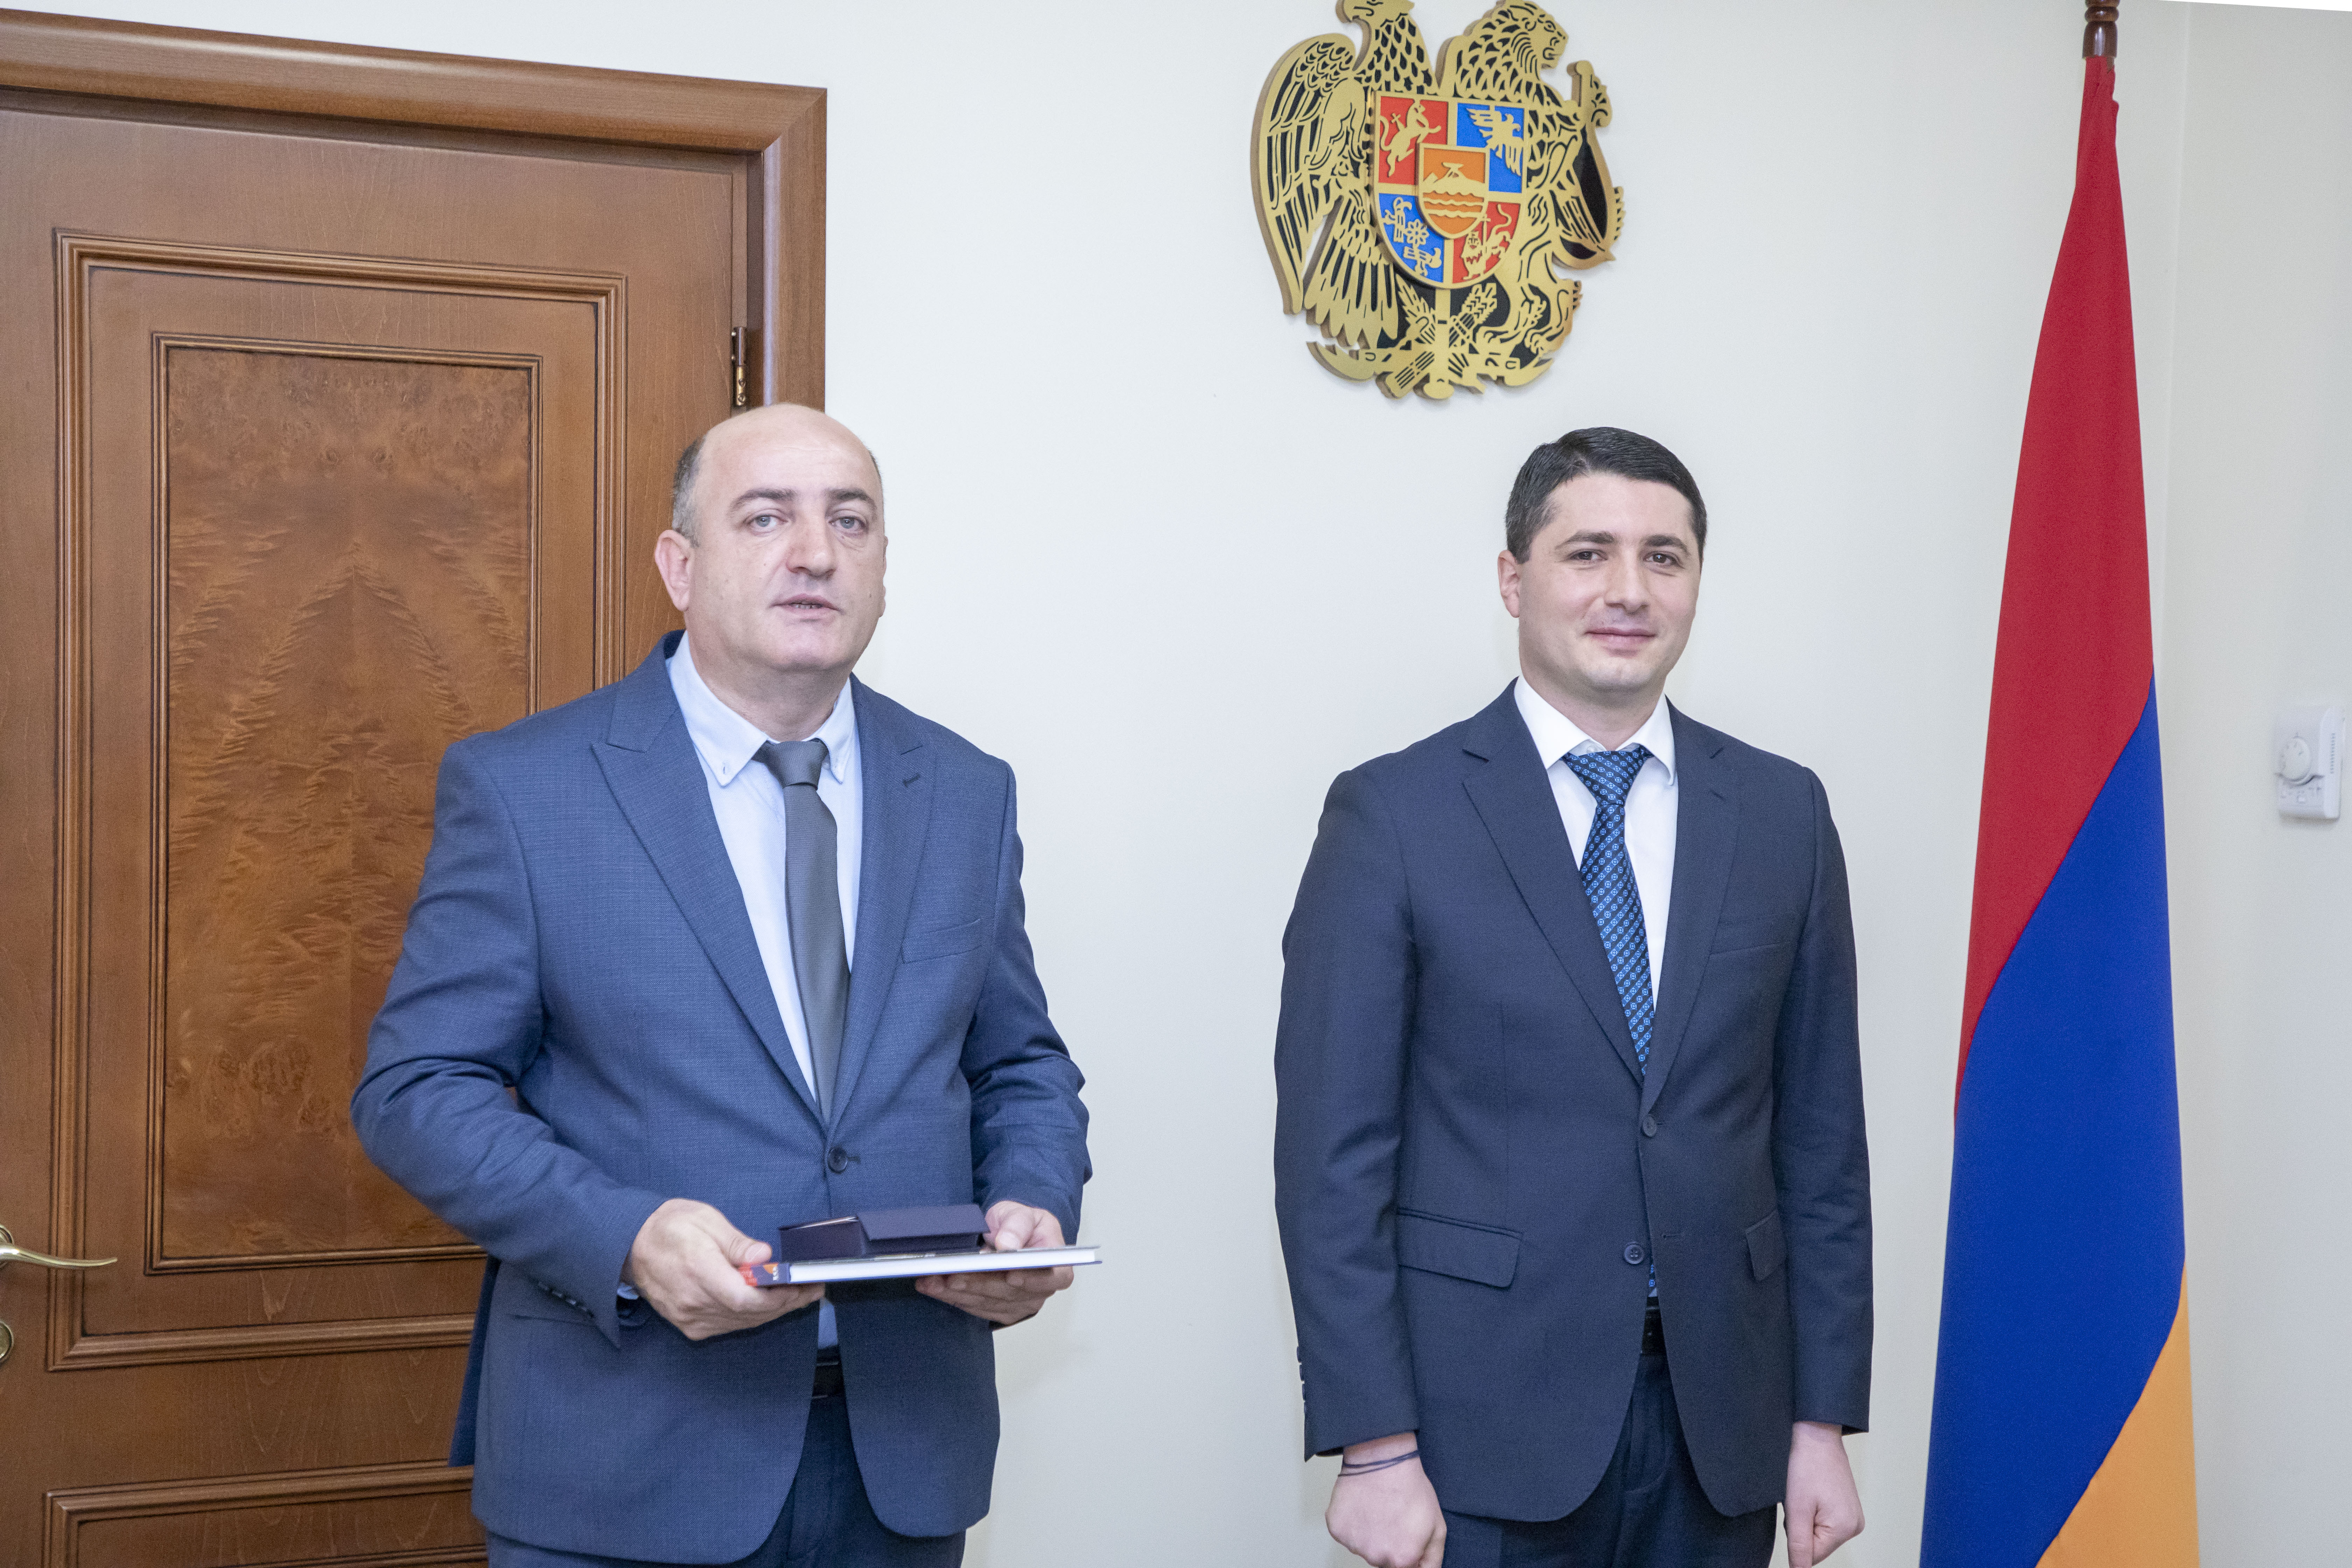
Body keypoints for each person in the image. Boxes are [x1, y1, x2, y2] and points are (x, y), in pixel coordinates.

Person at [353, 403, 1090, 1568]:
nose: (815, 553)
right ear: (680, 566)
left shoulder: (964, 789)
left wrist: (1031, 1208)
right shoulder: (528, 789)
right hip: (626, 1458)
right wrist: (626, 1235)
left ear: (883, 566)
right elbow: (417, 1090)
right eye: (766, 518)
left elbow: (1018, 1063)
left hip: (901, 1453)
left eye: (851, 521)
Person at [1273, 428, 1871, 1568]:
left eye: (1664, 557)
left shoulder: (1784, 814)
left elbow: (1822, 1147)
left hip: (1723, 1432)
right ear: (1514, 580)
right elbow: (1331, 1163)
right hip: (1476, 1434)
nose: (1628, 591)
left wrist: (1819, 1420)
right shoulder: (1394, 816)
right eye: (1588, 553)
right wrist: (1374, 1446)